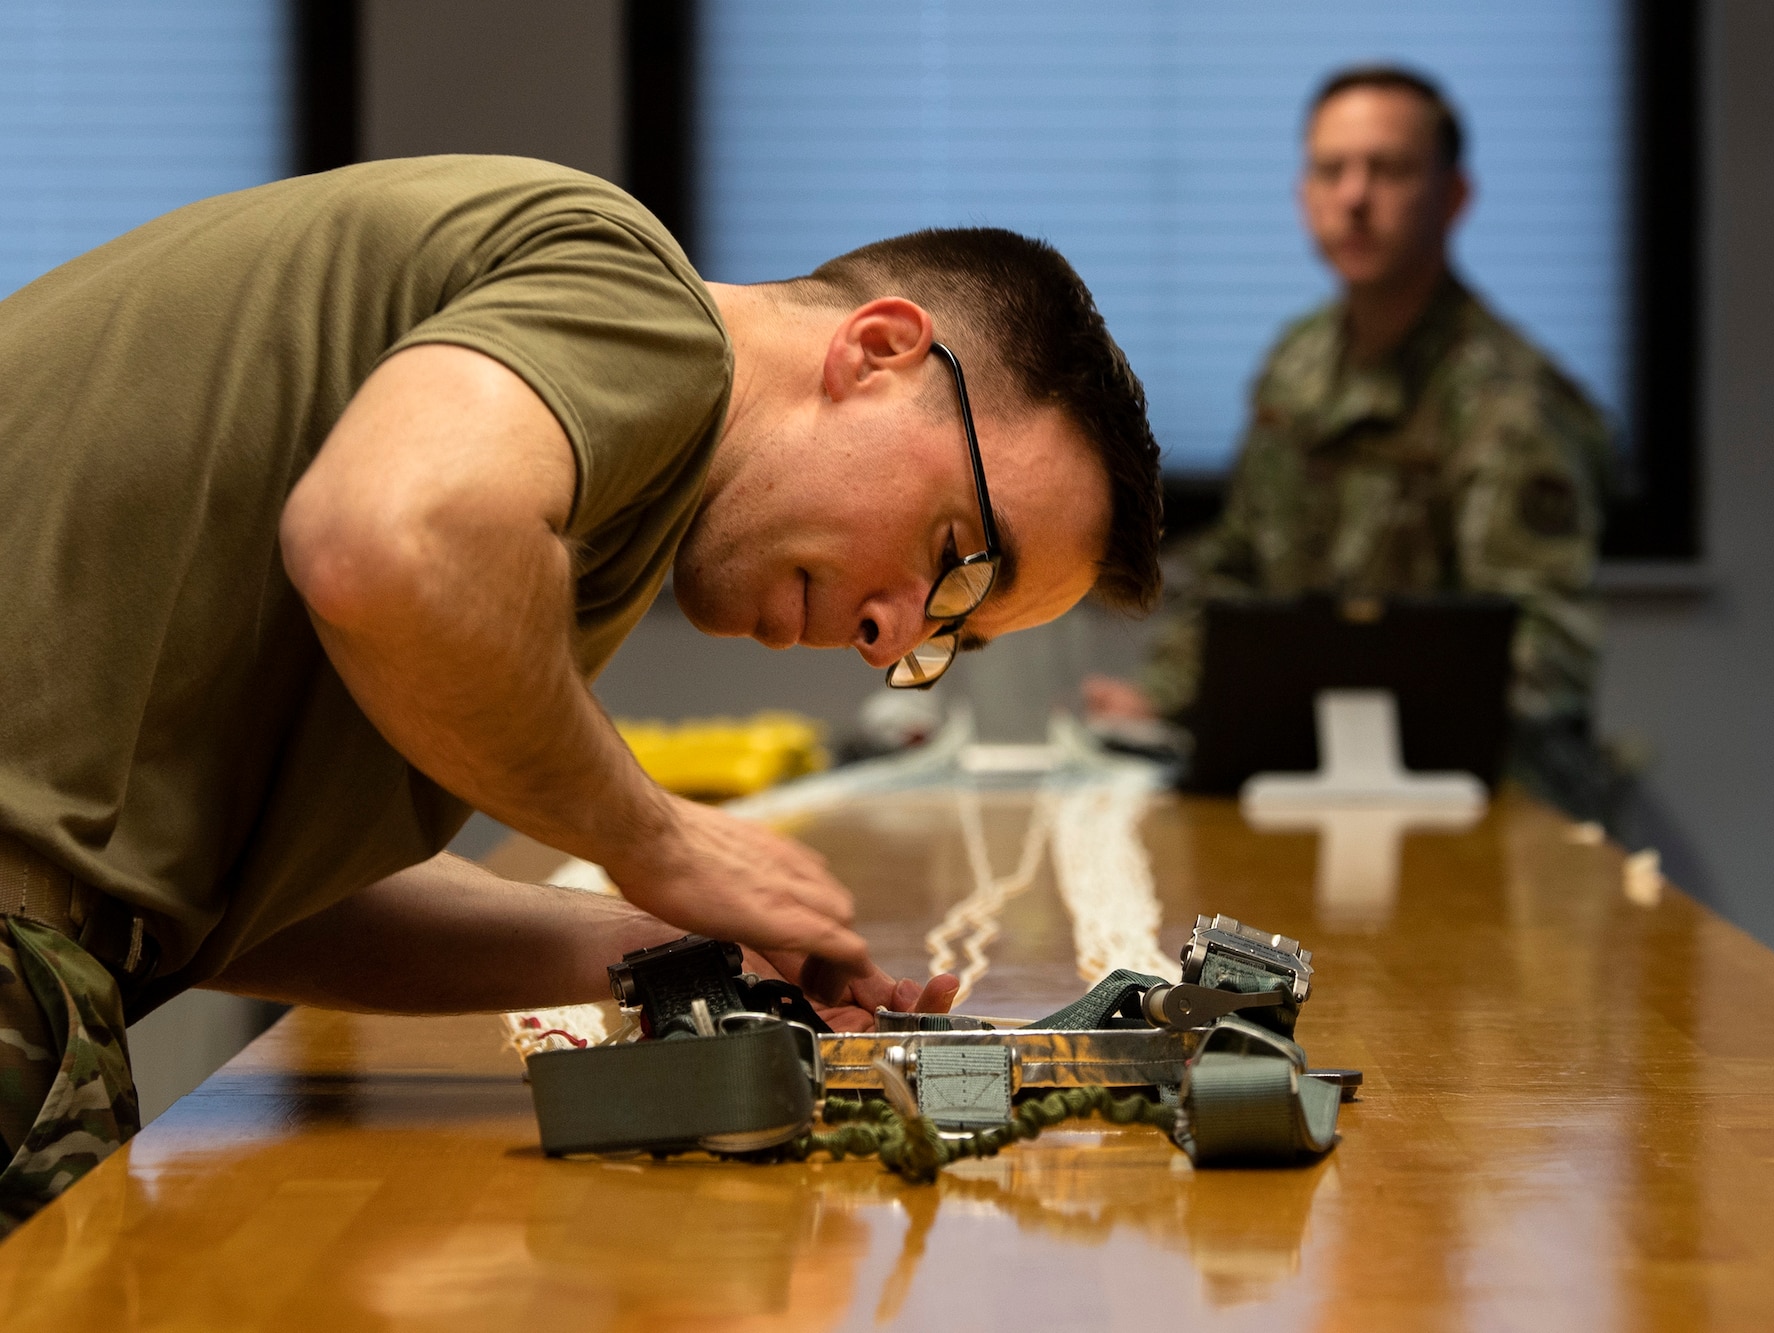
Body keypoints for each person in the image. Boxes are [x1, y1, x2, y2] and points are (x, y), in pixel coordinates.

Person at [0, 154, 1162, 1231]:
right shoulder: (640, 299)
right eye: (956, 552)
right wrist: (651, 834)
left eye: (948, 633)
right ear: (878, 350)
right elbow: (381, 544)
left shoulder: (570, 508)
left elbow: (237, 896)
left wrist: (667, 940)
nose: (888, 634)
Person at [1085, 66, 1613, 815]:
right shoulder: (1298, 363)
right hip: (1303, 773)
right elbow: (1240, 566)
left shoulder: (1512, 403)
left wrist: (1328, 723)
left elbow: (1540, 658)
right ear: (1305, 197)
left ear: (1455, 196)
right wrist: (1167, 695)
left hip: (1479, 796)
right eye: (1331, 170)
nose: (1355, 197)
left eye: (1390, 169)